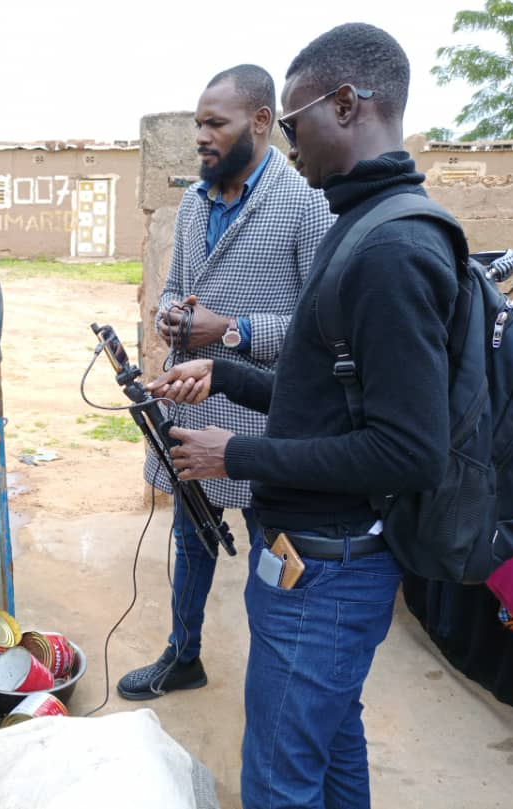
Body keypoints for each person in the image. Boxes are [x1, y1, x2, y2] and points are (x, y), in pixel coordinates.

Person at [147, 24, 458, 809]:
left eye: (293, 121)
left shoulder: (386, 247)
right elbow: (327, 392)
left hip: (327, 567)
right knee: (328, 741)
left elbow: (408, 451)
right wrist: (221, 372)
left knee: (281, 780)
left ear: (347, 105)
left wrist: (238, 455)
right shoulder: (362, 221)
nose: (290, 142)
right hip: (315, 557)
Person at [118, 64, 332, 700]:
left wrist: (233, 331)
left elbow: (324, 335)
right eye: (197, 125)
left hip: (267, 419)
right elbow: (178, 292)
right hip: (192, 406)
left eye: (216, 123)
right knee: (191, 537)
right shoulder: (193, 201)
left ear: (261, 123)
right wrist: (171, 317)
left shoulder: (305, 204)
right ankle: (184, 655)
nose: (202, 137)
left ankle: (282, 677)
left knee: (275, 551)